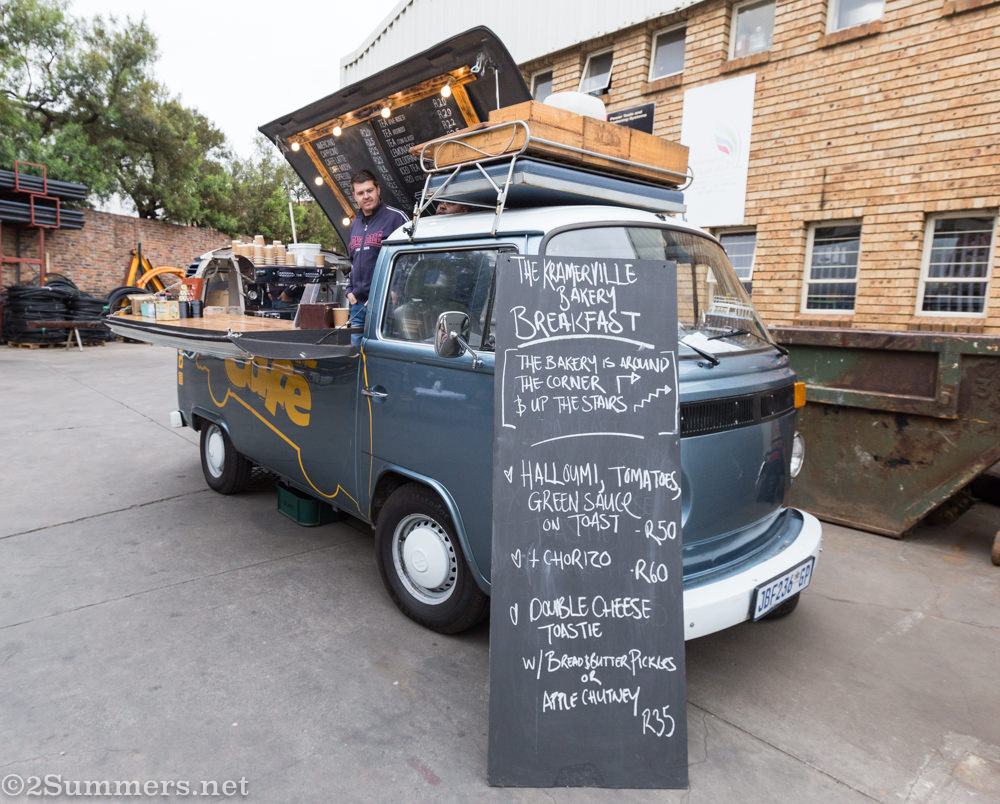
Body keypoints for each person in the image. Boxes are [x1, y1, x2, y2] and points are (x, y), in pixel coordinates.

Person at [345, 169, 408, 349]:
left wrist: (396, 291)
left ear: (378, 190)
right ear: (354, 196)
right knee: (357, 356)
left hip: (386, 304)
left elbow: (413, 260)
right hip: (358, 305)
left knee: (382, 355)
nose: (366, 196)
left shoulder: (397, 218)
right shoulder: (355, 224)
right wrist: (350, 291)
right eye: (360, 193)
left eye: (369, 190)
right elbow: (353, 263)